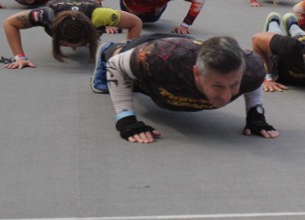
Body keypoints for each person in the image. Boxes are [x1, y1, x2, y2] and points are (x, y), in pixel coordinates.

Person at [99, 34, 278, 143]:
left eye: (234, 85)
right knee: (117, 56)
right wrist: (125, 118)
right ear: (196, 73)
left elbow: (254, 80)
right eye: (217, 86)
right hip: (154, 47)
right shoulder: (158, 58)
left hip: (189, 48)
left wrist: (256, 114)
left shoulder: (252, 67)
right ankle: (108, 47)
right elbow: (116, 65)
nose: (226, 97)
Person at [0, 0, 142, 69]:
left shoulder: (99, 15)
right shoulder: (46, 15)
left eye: (79, 44)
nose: (74, 48)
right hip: (60, 7)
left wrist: (125, 57)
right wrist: (20, 57)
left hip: (90, 10)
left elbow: (136, 23)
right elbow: (10, 23)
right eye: (67, 43)